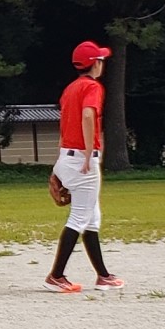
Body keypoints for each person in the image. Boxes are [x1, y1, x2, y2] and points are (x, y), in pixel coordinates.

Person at [44, 41, 126, 293]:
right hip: (82, 159)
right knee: (79, 218)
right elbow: (88, 115)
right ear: (95, 63)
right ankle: (56, 276)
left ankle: (103, 276)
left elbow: (63, 126)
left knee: (91, 218)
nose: (102, 64)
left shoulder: (70, 89)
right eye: (100, 60)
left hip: (67, 156)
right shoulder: (92, 86)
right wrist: (90, 152)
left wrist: (59, 164)